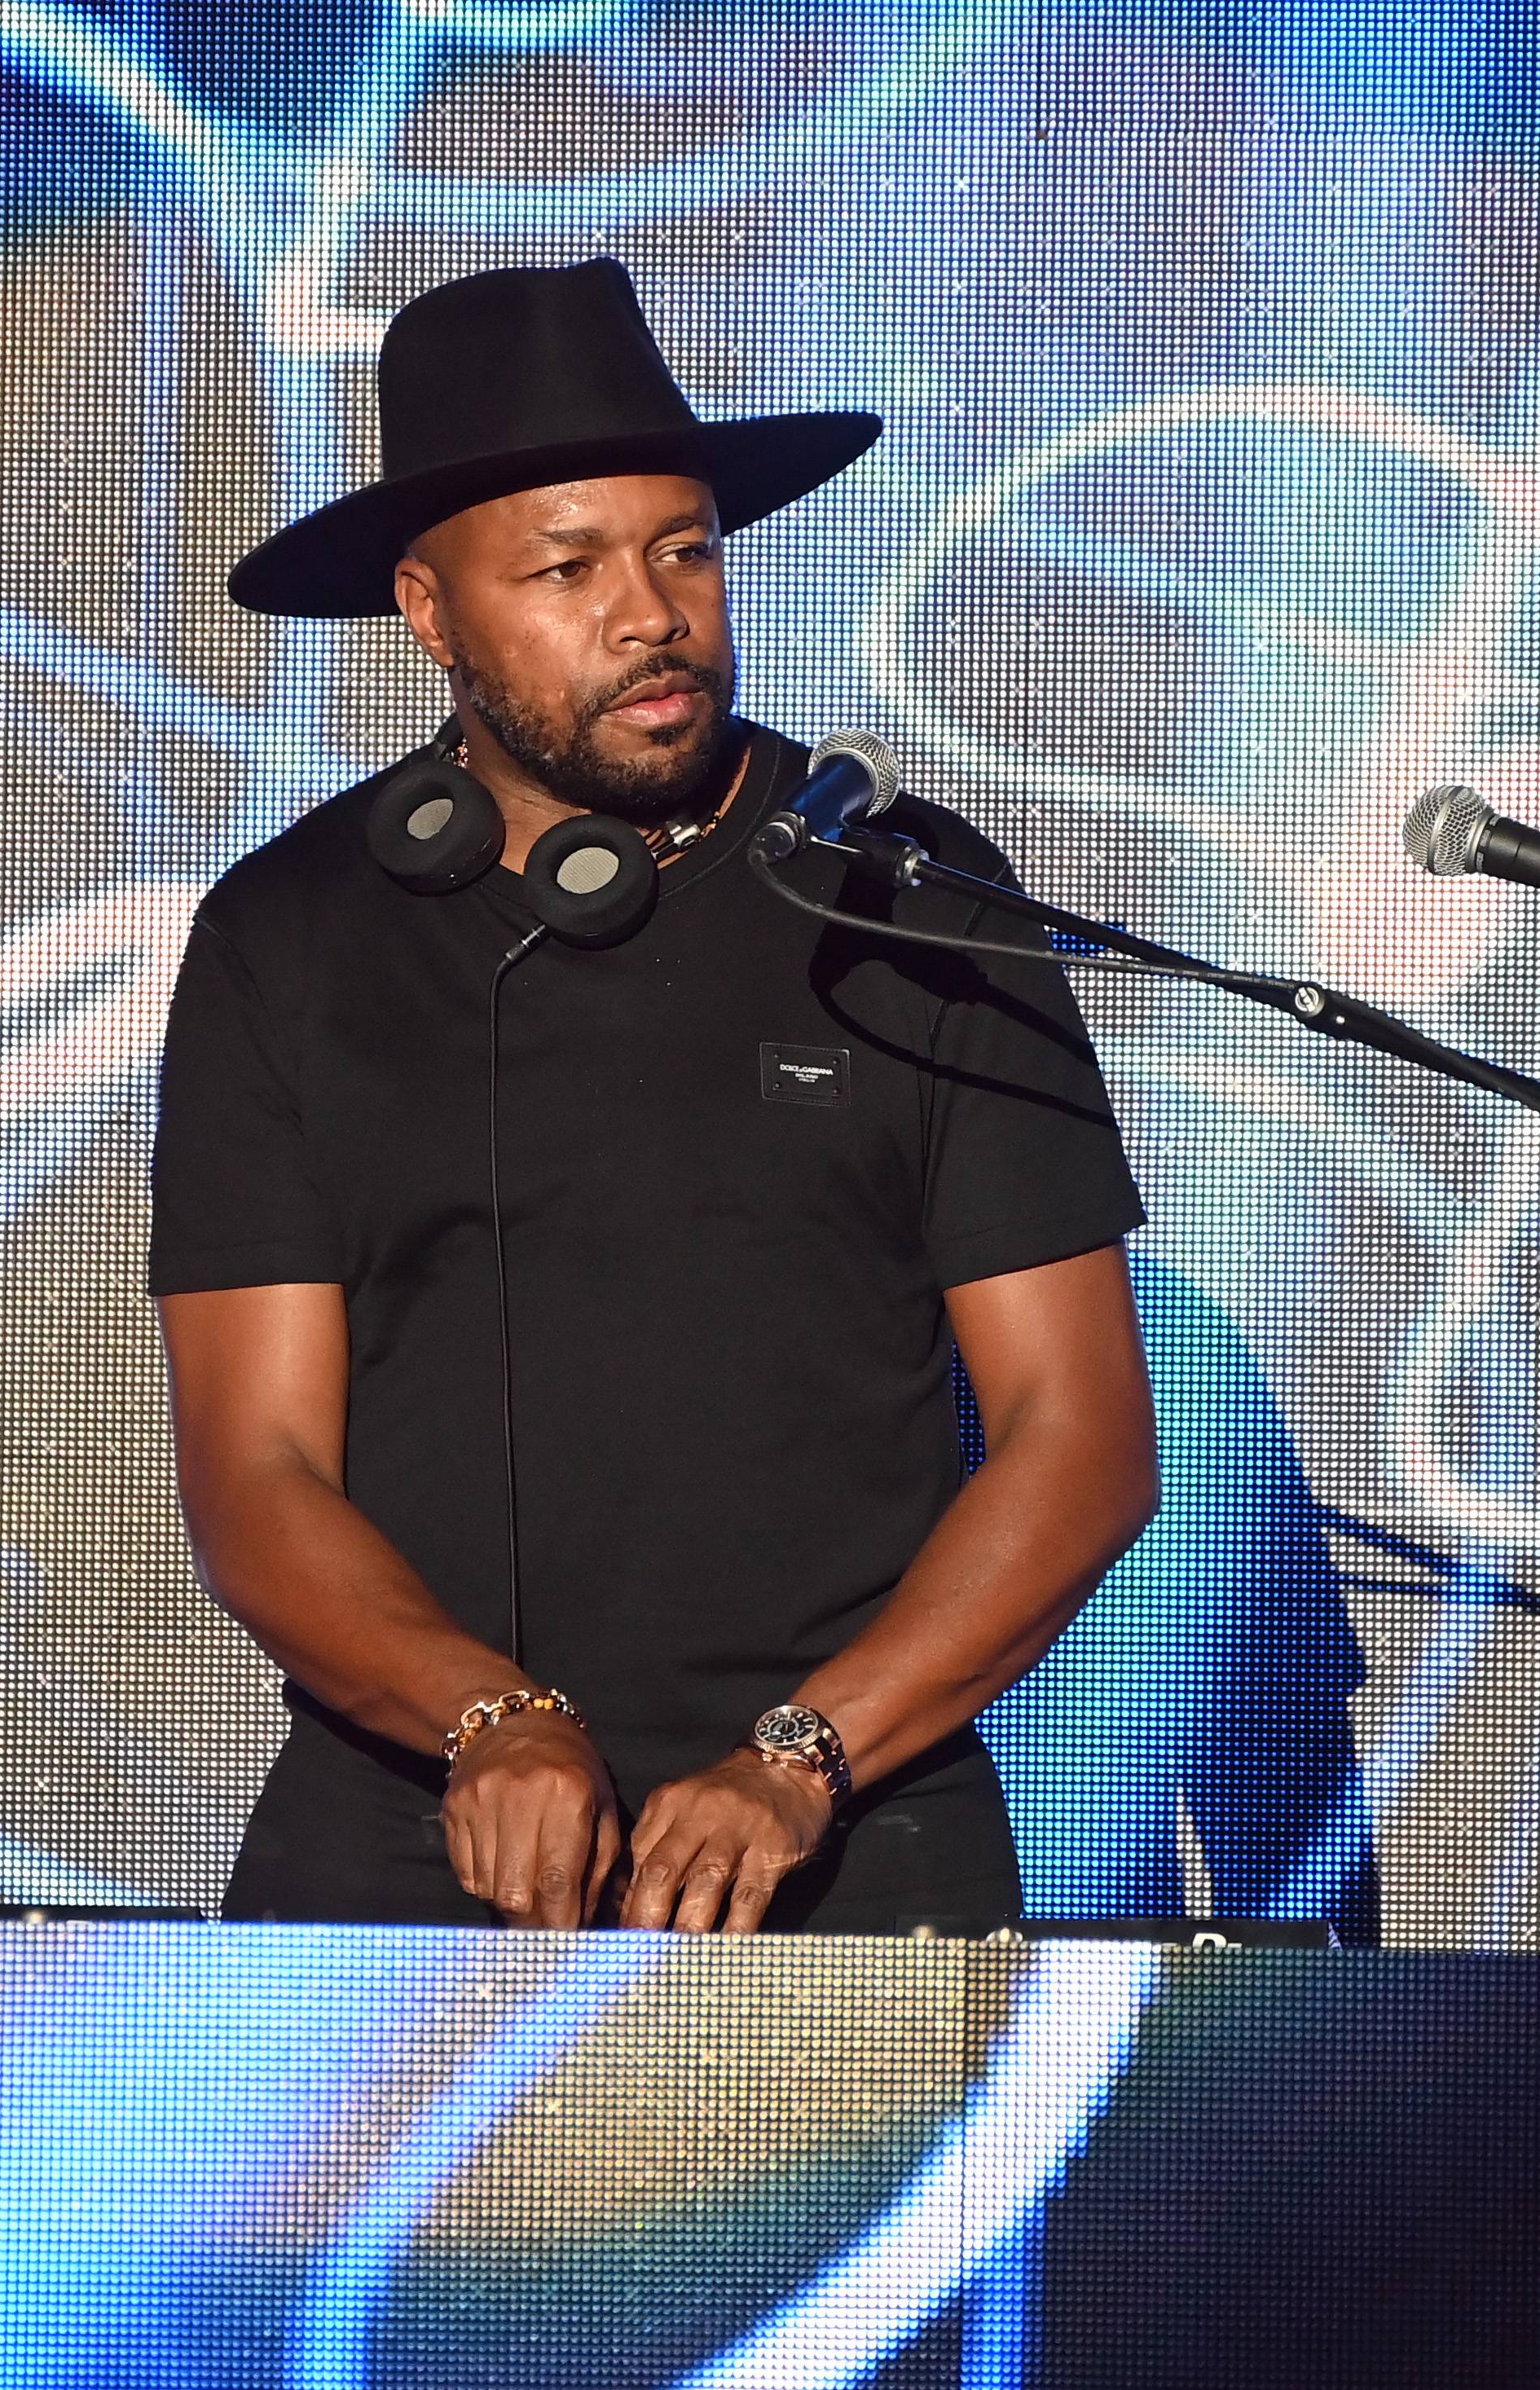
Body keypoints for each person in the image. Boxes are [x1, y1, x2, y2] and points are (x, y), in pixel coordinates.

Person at [150, 257, 1159, 1934]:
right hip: (418, 1830)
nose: (651, 616)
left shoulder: (904, 899)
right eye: (568, 569)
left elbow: (1083, 1436)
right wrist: (486, 1718)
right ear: (428, 612)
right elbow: (253, 1469)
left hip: (846, 1837)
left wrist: (804, 1756)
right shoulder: (287, 939)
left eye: (682, 549)